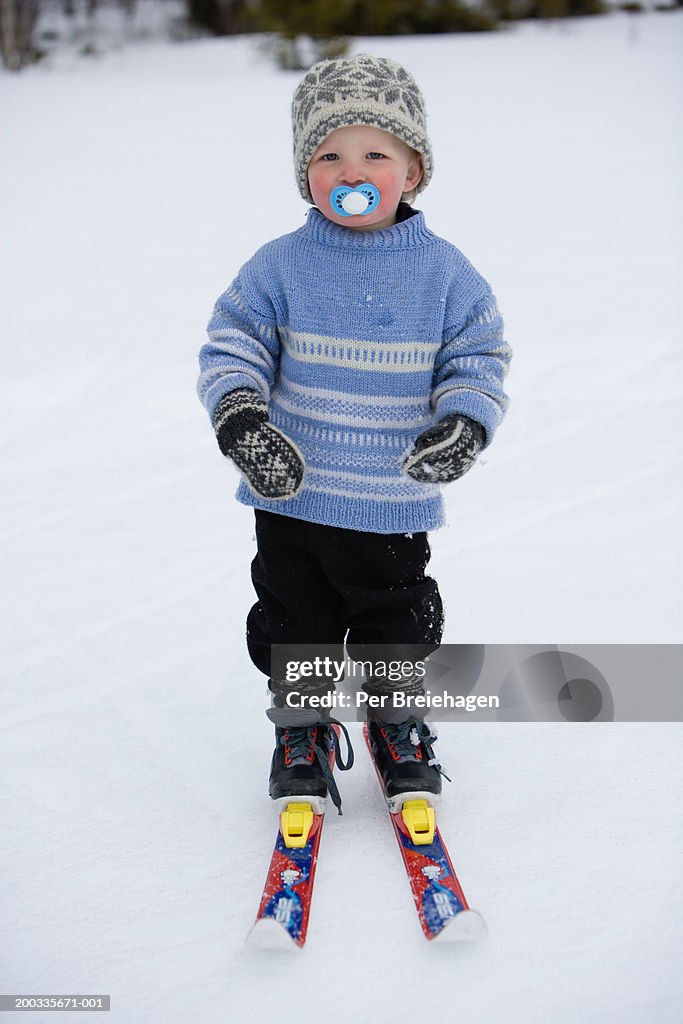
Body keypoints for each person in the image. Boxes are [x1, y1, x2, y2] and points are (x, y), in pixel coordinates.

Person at [197, 55, 511, 815]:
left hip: (388, 501)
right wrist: (242, 420)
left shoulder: (445, 274)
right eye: (329, 155)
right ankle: (301, 727)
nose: (351, 171)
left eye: (375, 154)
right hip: (291, 497)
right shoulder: (278, 266)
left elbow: (478, 357)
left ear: (413, 170)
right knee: (292, 623)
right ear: (305, 171)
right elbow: (231, 346)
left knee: (395, 624)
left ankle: (394, 716)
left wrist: (465, 422)